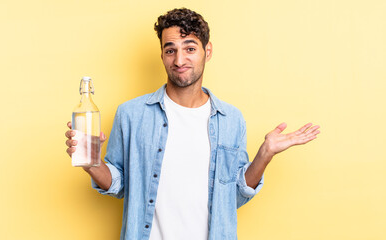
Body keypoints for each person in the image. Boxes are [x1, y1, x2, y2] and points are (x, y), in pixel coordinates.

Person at [65, 8, 320, 240]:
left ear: (207, 51)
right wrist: (92, 164)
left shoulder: (231, 119)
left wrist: (264, 155)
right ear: (162, 54)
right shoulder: (131, 114)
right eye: (170, 50)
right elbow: (118, 184)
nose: (179, 60)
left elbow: (233, 197)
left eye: (189, 48)